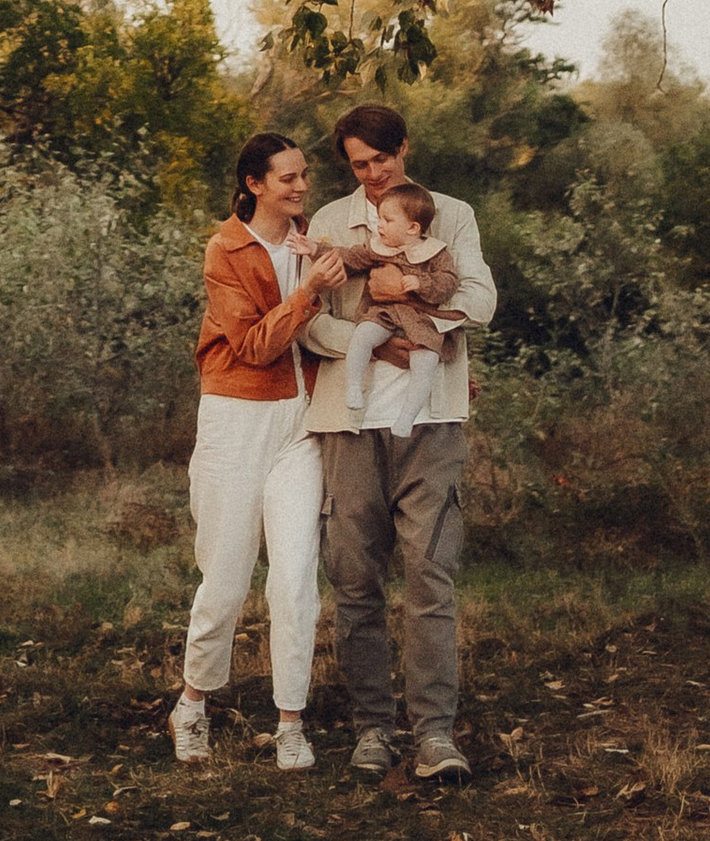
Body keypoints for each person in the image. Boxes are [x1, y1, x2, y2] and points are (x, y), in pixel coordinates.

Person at [302, 100, 497, 783]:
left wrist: (411, 290)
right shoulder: (329, 223)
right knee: (355, 578)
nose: (375, 176)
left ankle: (435, 734)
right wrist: (365, 345)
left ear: (404, 149)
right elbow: (308, 320)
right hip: (350, 422)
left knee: (429, 573)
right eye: (360, 165)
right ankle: (371, 729)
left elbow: (480, 299)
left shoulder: (451, 214)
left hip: (432, 418)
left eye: (383, 160)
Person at [172, 132, 347, 771]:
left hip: (299, 422)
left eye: (304, 176)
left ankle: (291, 723)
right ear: (254, 184)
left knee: (297, 578)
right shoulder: (226, 249)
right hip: (235, 419)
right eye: (287, 179)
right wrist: (310, 293)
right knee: (224, 578)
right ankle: (192, 704)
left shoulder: (313, 242)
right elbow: (251, 348)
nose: (301, 188)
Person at [333, 180, 462, 436]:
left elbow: (448, 283)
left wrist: (421, 282)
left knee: (425, 362)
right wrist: (315, 249)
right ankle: (353, 387)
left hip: (422, 320)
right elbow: (350, 255)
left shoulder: (436, 253)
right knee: (362, 335)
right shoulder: (379, 248)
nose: (379, 225)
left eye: (387, 220)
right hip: (386, 315)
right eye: (379, 219)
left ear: (413, 228)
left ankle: (406, 416)